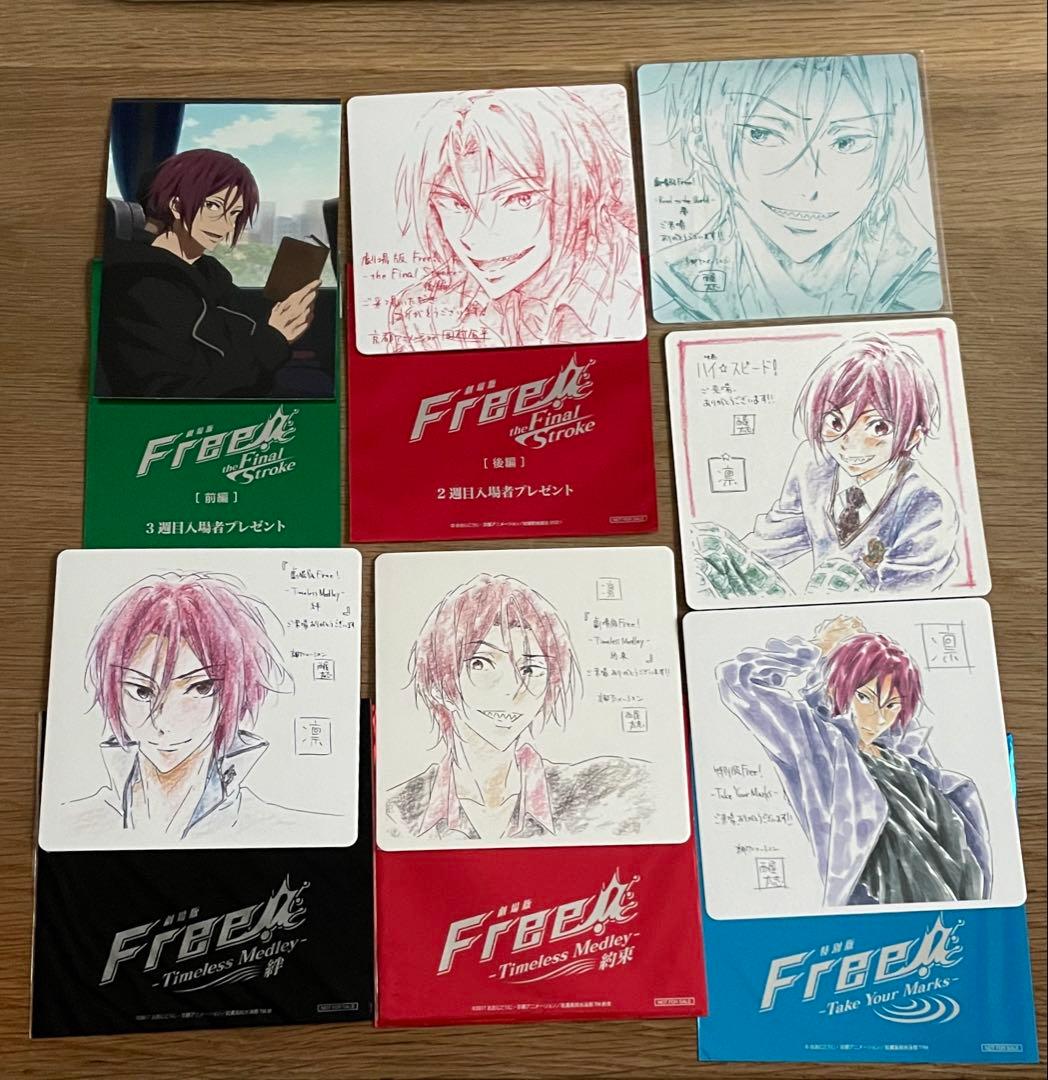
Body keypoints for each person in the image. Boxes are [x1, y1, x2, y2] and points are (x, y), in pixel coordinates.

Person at [717, 615, 991, 906]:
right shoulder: (819, 746)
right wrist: (818, 648)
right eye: (865, 697)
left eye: (891, 705)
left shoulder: (908, 756)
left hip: (958, 904)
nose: (877, 717)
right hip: (878, 909)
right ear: (837, 688)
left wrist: (864, 651)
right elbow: (738, 680)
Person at [646, 54, 943, 322]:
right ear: (701, 143)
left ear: (895, 147)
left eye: (846, 143)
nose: (807, 188)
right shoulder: (669, 287)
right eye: (762, 135)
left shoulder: (922, 283)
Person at [690, 332, 959, 598]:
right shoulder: (814, 463)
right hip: (812, 604)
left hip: (873, 611)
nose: (850, 445)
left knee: (836, 574)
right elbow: (775, 540)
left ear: (913, 436)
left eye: (879, 427)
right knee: (707, 542)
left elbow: (905, 593)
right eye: (835, 422)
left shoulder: (927, 502)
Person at [386, 573, 652, 841]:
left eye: (529, 669)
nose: (512, 689)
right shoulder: (398, 814)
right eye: (480, 663)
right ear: (438, 684)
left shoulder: (605, 792)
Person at [387, 87, 644, 351]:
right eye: (457, 204)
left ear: (582, 189)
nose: (478, 239)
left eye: (520, 199)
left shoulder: (639, 289)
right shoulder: (421, 315)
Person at [67, 572, 310, 841]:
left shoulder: (279, 831)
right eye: (141, 691)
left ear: (234, 692)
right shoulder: (75, 824)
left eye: (200, 688)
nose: (164, 722)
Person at [99, 148, 320, 397]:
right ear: (176, 205)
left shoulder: (210, 273)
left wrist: (282, 321)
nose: (226, 224)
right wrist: (274, 340)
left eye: (235, 213)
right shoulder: (139, 284)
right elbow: (179, 392)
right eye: (213, 206)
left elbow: (240, 329)